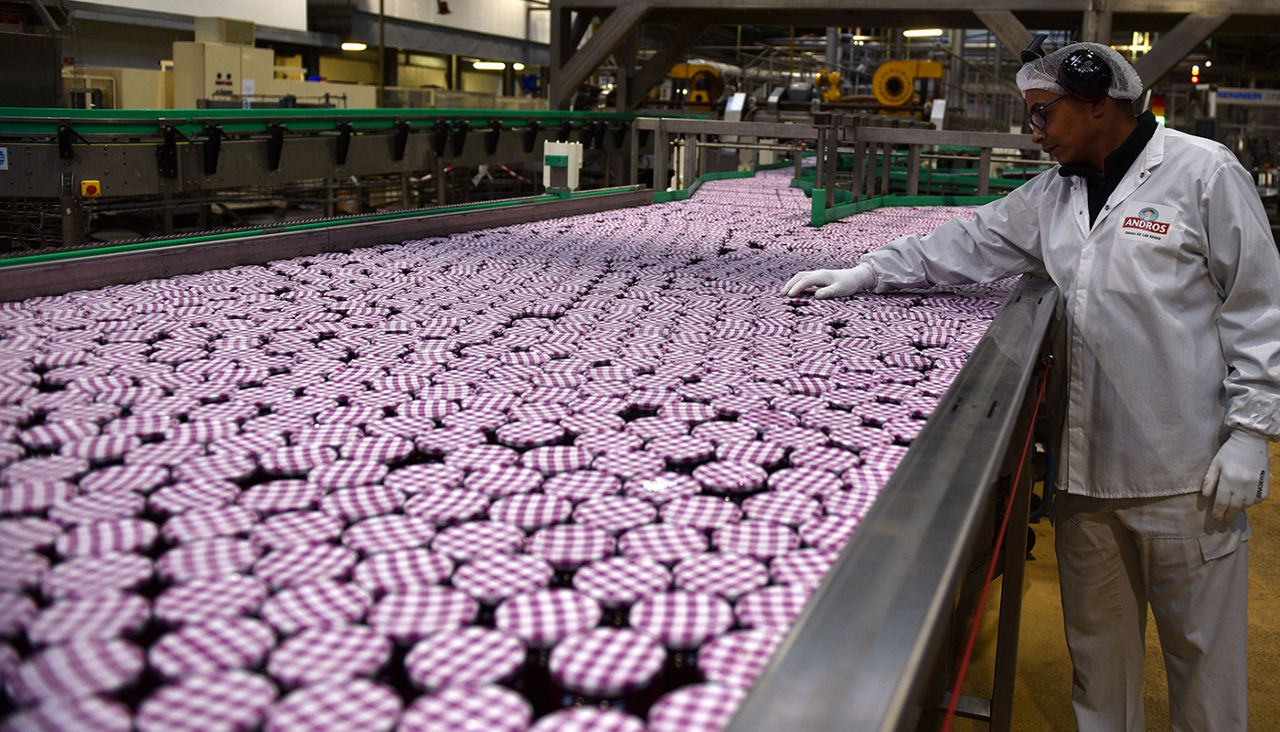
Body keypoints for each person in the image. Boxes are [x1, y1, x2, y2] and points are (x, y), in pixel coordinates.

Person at [782, 40, 1280, 731]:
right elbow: (967, 242)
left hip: (1187, 478)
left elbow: (1259, 307)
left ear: (1096, 102)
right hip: (1083, 479)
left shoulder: (1204, 174)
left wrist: (1252, 432)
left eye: (1044, 115)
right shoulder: (1055, 193)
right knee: (1098, 670)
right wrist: (868, 272)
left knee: (1204, 669)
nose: (1035, 132)